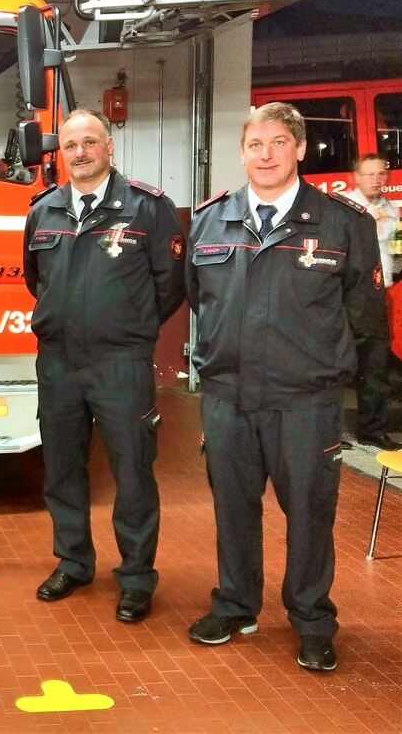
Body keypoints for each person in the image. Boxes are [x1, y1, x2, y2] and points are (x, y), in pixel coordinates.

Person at [186, 102, 386, 671]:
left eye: (278, 142)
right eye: (255, 144)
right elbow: (199, 298)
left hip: (306, 402)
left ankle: (312, 619)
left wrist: (345, 387)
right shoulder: (210, 220)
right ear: (242, 152)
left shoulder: (342, 223)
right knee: (233, 508)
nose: (266, 154)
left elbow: (367, 317)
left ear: (299, 148)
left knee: (310, 513)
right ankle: (235, 606)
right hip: (228, 398)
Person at [22, 108, 186, 623]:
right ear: (61, 154)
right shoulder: (43, 211)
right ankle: (73, 562)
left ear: (109, 147)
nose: (80, 153)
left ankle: (136, 577)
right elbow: (36, 280)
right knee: (62, 468)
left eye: (90, 142)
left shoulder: (147, 207)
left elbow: (170, 285)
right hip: (58, 363)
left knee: (132, 470)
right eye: (71, 146)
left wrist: (129, 327)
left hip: (121, 364)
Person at [345, 154, 400, 449]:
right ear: (357, 177)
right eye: (369, 174)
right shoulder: (344, 208)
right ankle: (326, 433)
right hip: (350, 297)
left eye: (381, 174)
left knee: (376, 365)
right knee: (336, 366)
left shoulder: (391, 209)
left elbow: (395, 251)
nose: (376, 180)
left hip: (381, 295)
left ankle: (372, 430)